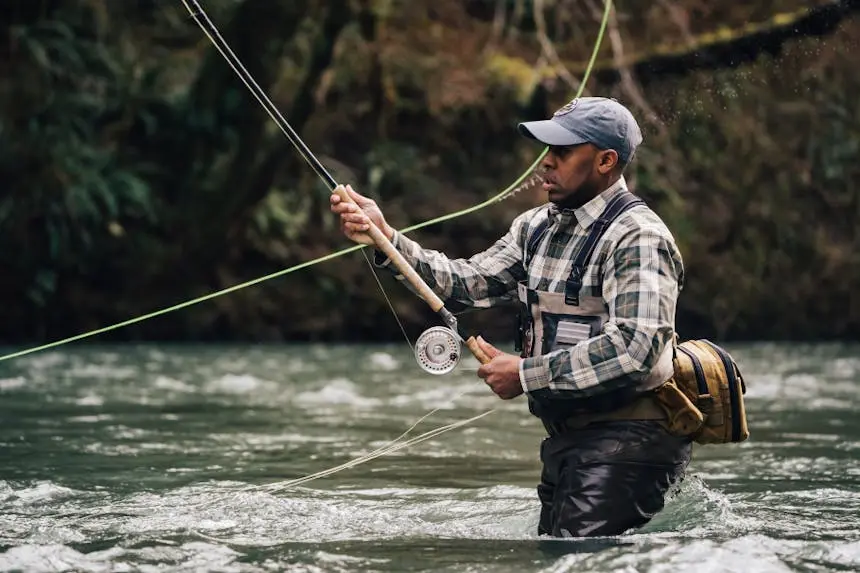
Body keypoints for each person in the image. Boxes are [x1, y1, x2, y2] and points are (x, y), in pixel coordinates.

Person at [330, 96, 692, 538]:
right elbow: (465, 282)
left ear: (605, 160)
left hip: (630, 439)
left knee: (574, 561)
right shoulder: (535, 227)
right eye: (546, 151)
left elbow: (635, 348)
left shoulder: (638, 236)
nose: (546, 163)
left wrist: (524, 374)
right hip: (567, 439)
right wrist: (385, 238)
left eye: (561, 152)